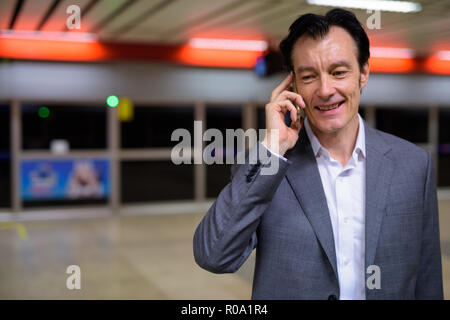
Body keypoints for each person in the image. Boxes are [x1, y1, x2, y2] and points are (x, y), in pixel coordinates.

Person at [193, 8, 443, 300]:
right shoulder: (269, 166)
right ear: (294, 85)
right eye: (309, 76)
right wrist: (273, 146)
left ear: (363, 73)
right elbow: (213, 255)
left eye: (338, 72)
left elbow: (427, 278)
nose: (325, 90)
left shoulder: (414, 165)